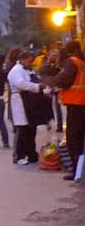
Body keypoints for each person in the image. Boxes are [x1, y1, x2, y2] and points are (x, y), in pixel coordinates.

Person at [43, 40, 85, 181]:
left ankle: (76, 172)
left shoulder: (71, 62)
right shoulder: (81, 61)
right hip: (81, 103)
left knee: (73, 140)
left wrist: (49, 81)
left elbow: (63, 80)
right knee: (80, 139)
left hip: (76, 104)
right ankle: (79, 170)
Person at [8, 52, 50, 165]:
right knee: (22, 130)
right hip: (21, 102)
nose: (31, 63)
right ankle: (19, 155)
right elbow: (21, 84)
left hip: (30, 104)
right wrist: (37, 86)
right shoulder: (16, 71)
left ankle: (31, 153)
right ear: (22, 59)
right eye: (29, 61)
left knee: (31, 129)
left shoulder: (29, 70)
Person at [39, 49, 64, 133]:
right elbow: (43, 76)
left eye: (56, 56)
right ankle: (48, 121)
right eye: (52, 56)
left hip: (56, 88)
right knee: (47, 106)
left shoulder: (59, 66)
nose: (54, 57)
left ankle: (59, 126)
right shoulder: (45, 66)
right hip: (48, 88)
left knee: (58, 108)